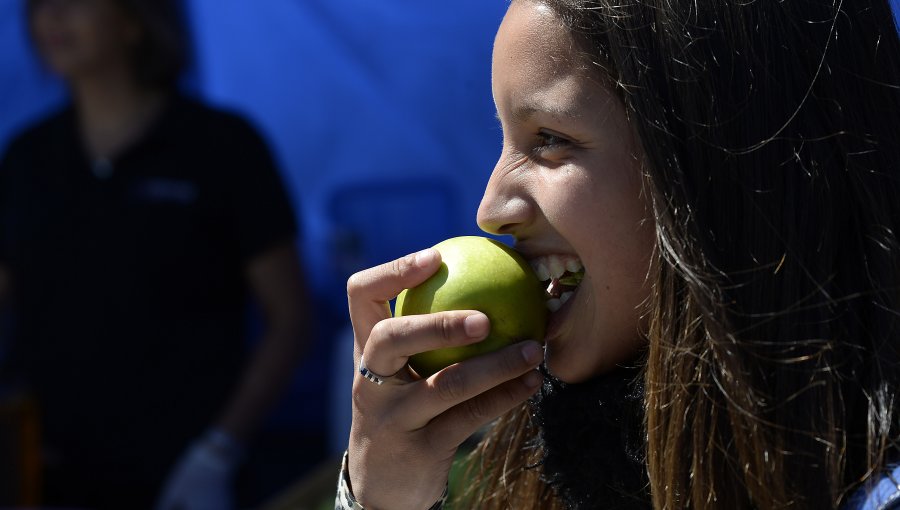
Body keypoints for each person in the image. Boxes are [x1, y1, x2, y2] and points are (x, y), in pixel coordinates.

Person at [339, 0, 900, 508]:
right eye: (505, 139)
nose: (490, 210)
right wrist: (384, 496)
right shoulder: (575, 461)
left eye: (550, 139)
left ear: (721, 163)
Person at [0, 0, 311, 508]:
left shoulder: (222, 146)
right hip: (52, 476)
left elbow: (289, 318)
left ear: (133, 20)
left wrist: (218, 451)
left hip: (185, 476)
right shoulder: (26, 157)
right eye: (38, 5)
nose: (50, 17)